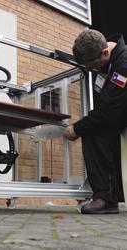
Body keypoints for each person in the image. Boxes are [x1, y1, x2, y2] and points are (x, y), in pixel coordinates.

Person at [64, 29, 127, 214]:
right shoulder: (109, 62)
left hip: (119, 116)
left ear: (105, 53)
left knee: (92, 128)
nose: (92, 71)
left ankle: (106, 199)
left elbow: (110, 113)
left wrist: (76, 128)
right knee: (94, 129)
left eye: (93, 66)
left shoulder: (123, 67)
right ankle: (106, 197)